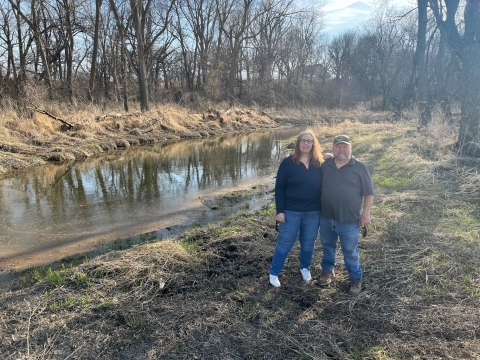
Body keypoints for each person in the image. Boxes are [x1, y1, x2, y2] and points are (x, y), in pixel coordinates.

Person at [318, 134, 374, 295]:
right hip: (326, 217)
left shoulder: (360, 167)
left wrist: (366, 214)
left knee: (350, 250)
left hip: (349, 219)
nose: (341, 149)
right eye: (338, 146)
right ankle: (327, 271)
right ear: (333, 149)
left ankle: (356, 279)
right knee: (328, 246)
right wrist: (322, 157)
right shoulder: (325, 165)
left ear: (351, 148)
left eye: (345, 146)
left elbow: (369, 193)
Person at [269, 130, 323, 288]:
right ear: (298, 143)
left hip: (313, 211)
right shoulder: (287, 163)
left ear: (313, 144)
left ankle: (305, 268)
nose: (306, 143)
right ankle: (274, 272)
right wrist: (280, 211)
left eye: (309, 141)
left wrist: (328, 157)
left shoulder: (318, 164)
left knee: (308, 242)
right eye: (303, 140)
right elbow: (279, 188)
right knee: (285, 242)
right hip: (291, 210)